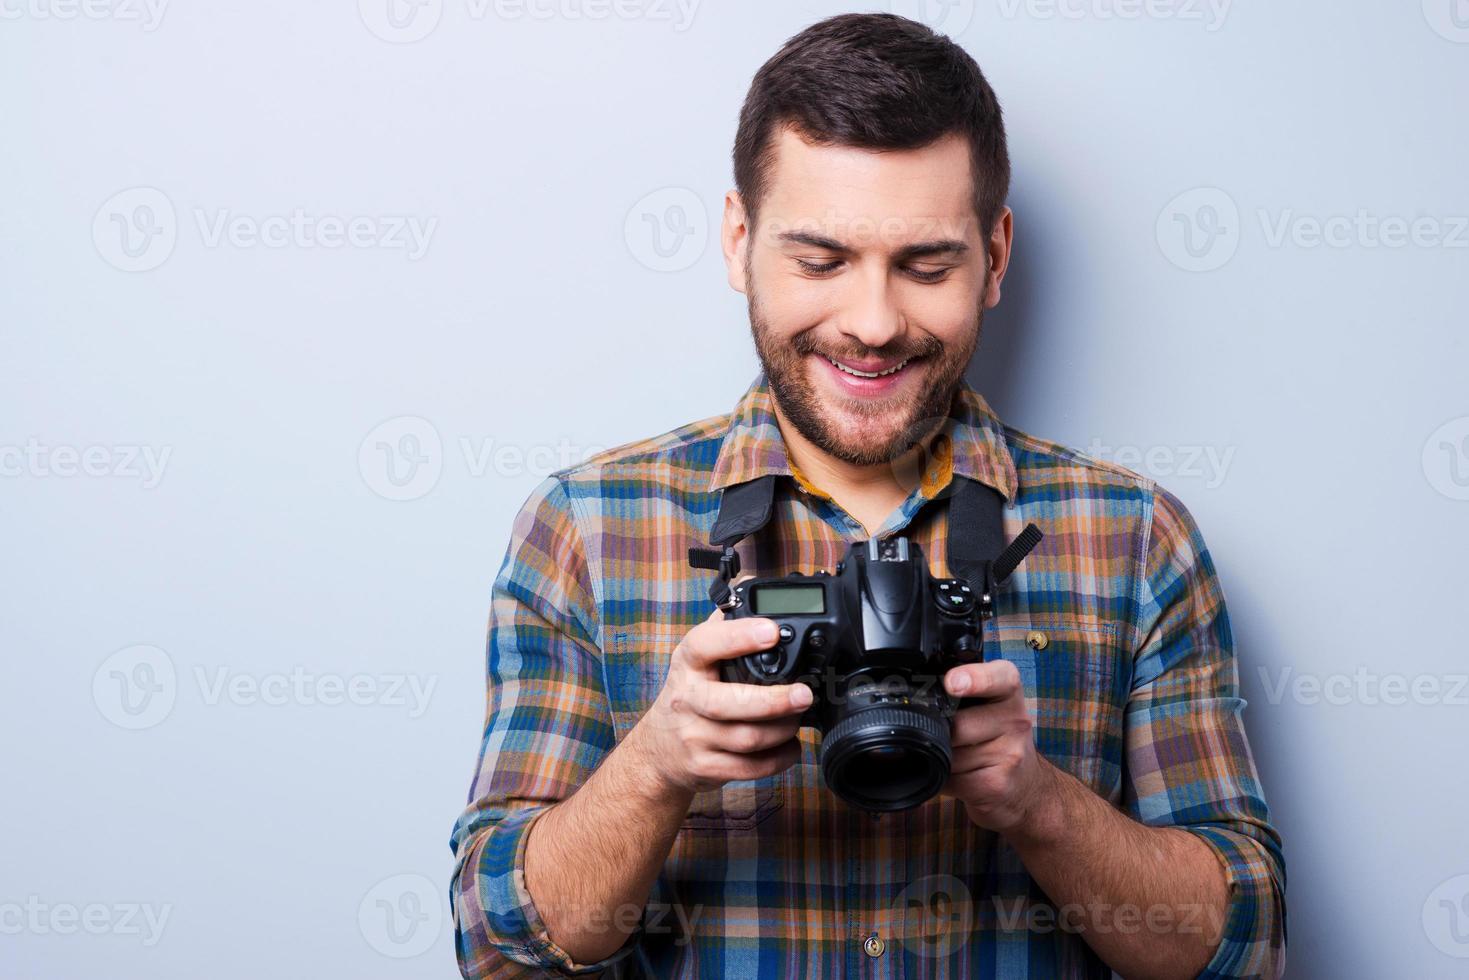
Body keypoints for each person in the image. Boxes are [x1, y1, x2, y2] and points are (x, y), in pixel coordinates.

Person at [450, 12, 1284, 978]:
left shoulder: (1134, 542)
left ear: (996, 256)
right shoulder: (588, 531)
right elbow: (497, 952)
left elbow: (1245, 952)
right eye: (820, 261)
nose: (873, 323)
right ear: (737, 241)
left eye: (926, 266)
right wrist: (658, 766)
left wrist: (1038, 801)